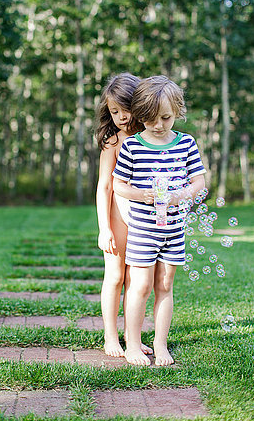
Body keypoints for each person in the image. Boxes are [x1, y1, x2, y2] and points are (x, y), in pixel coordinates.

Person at [113, 75, 206, 366]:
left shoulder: (186, 143)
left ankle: (161, 344)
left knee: (165, 285)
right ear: (141, 115)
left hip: (174, 229)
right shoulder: (133, 147)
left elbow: (199, 182)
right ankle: (133, 344)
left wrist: (184, 194)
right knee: (140, 286)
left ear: (177, 111)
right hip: (143, 230)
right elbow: (119, 185)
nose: (158, 125)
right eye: (151, 118)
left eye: (166, 118)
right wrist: (143, 195)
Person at [95, 73, 152, 358]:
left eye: (124, 109)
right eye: (113, 111)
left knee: (137, 281)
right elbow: (104, 186)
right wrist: (104, 228)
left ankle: (133, 337)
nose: (119, 117)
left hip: (146, 222)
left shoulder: (149, 140)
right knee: (115, 277)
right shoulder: (112, 142)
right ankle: (110, 336)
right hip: (118, 219)